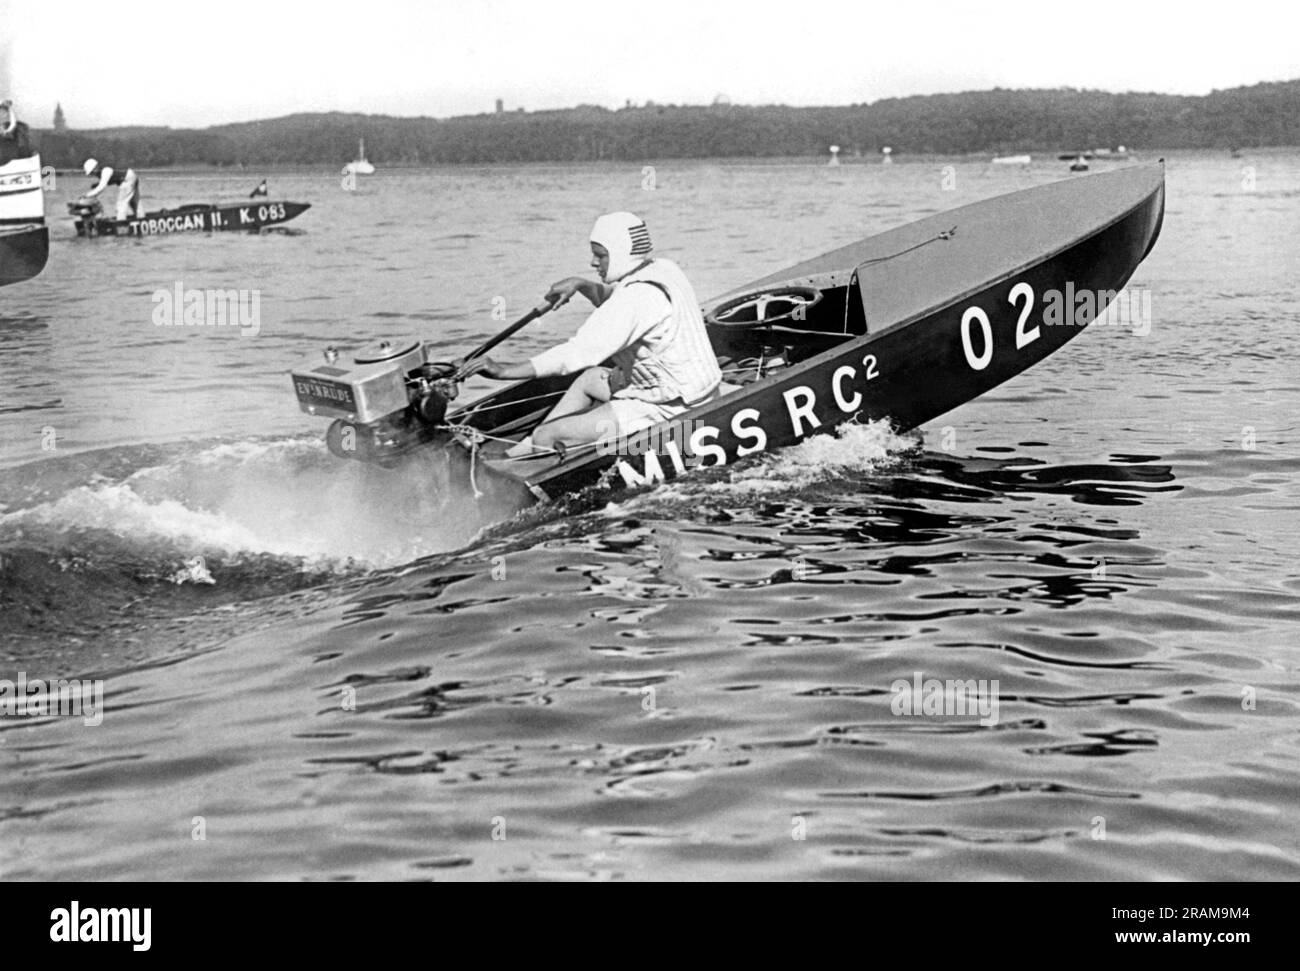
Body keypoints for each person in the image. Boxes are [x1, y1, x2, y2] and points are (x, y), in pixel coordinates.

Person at [459, 211, 722, 456]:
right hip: (691, 389)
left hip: (671, 409)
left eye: (601, 255)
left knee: (547, 434)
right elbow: (616, 298)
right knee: (589, 380)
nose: (593, 262)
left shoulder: (634, 300)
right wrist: (582, 285)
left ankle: (540, 445)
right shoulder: (662, 268)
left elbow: (575, 353)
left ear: (620, 253)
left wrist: (502, 371)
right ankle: (523, 449)